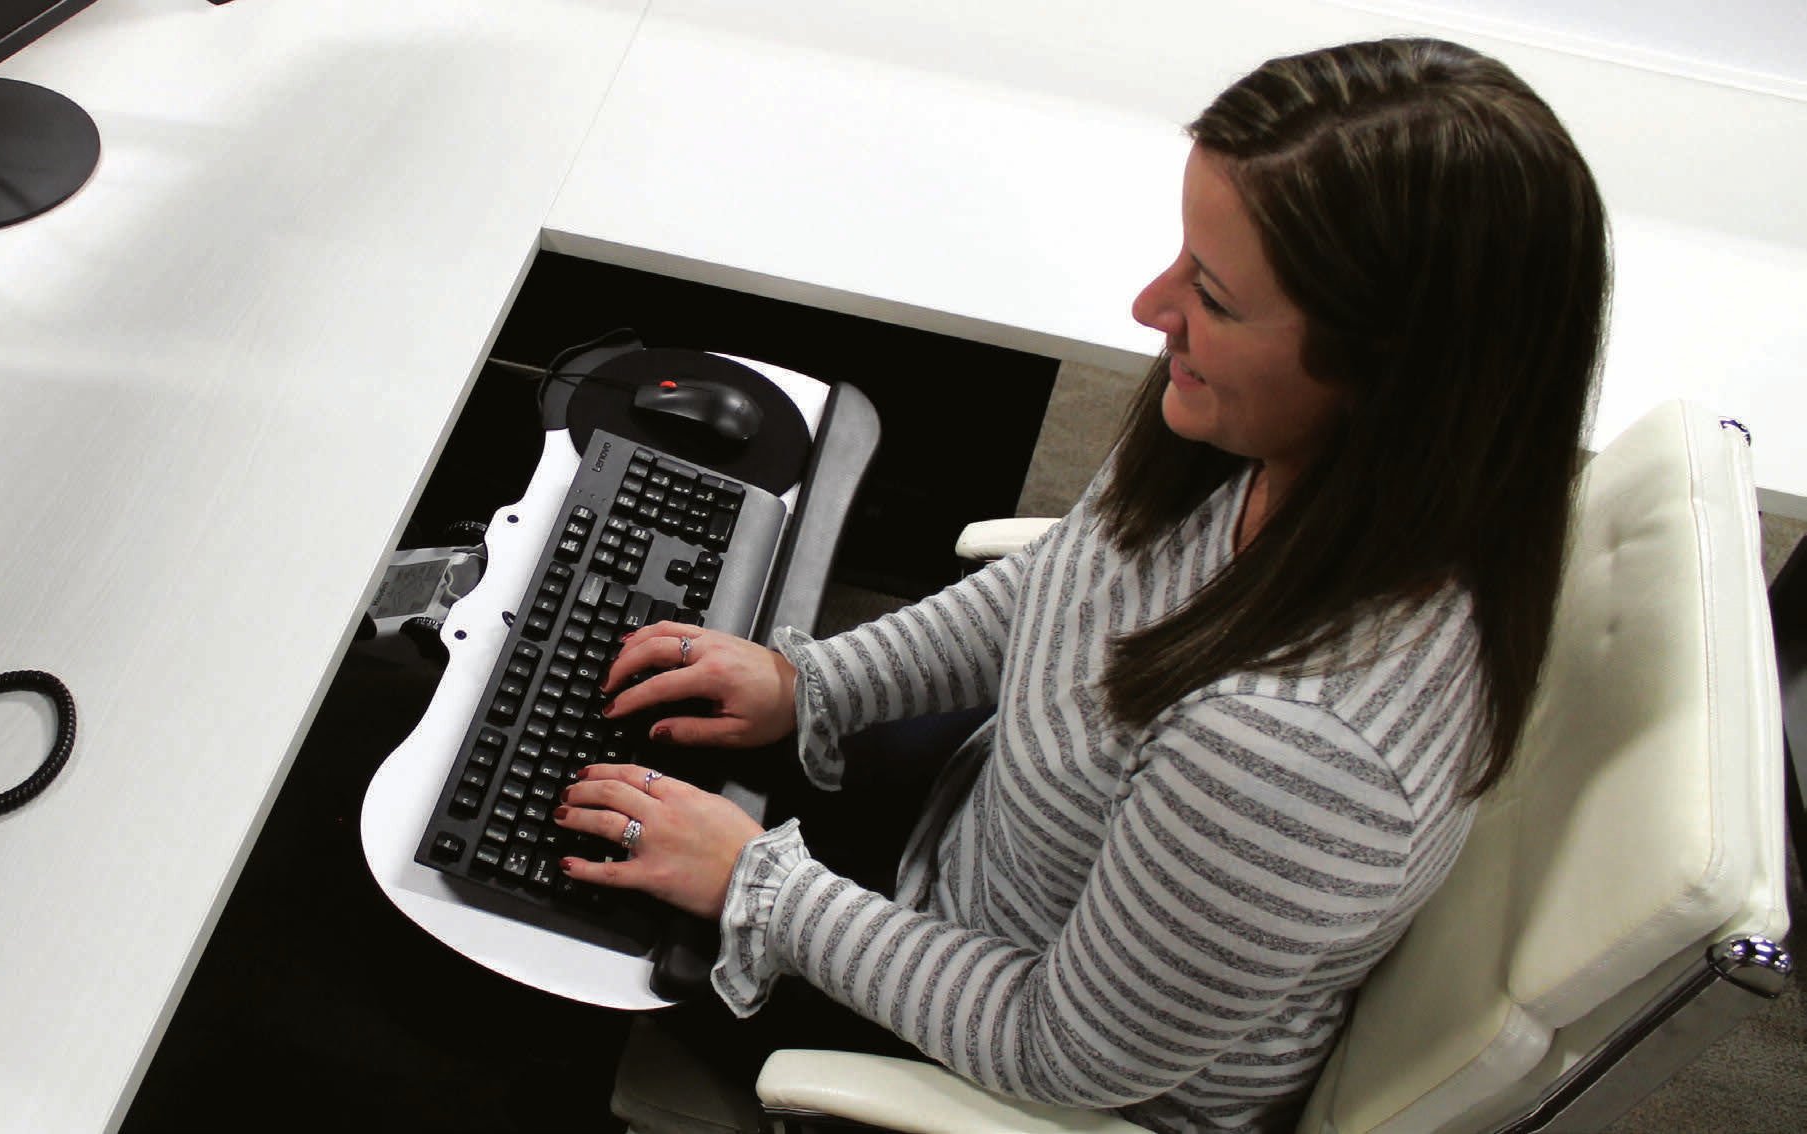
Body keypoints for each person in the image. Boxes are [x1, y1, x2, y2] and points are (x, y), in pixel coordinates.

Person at [553, 36, 1610, 1133]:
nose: (1151, 307)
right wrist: (809, 686)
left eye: (1213, 294)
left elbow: (1057, 1054)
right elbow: (1067, 590)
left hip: (1003, 1048)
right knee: (582, 726)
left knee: (504, 949)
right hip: (994, 838)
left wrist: (759, 889)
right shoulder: (1265, 441)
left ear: (1388, 371)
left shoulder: (1290, 756)